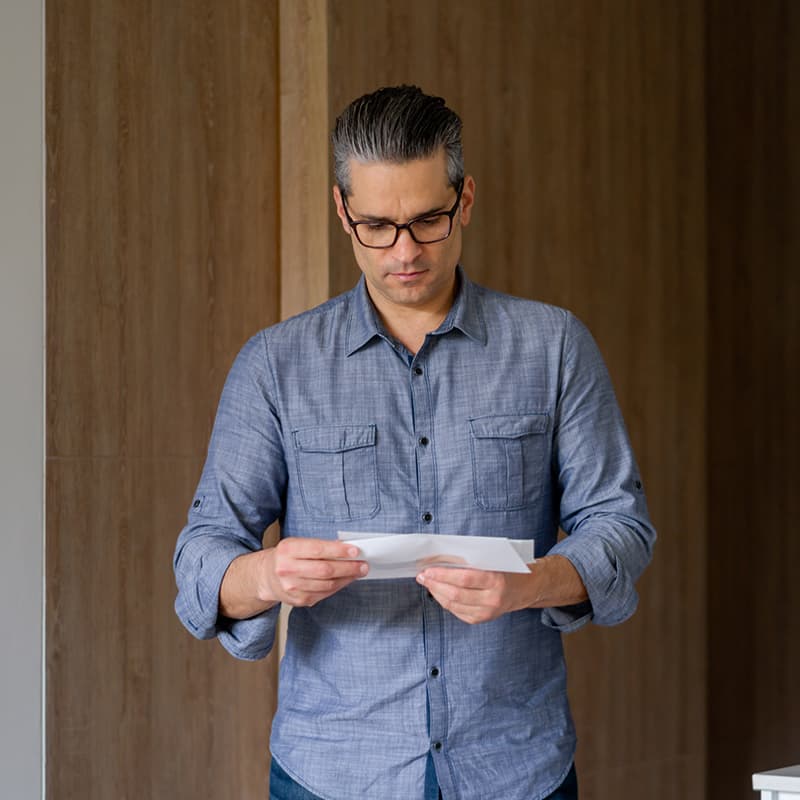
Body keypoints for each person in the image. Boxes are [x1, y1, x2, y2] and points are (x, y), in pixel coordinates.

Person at [173, 85, 656, 800]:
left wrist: (530, 585)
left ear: (465, 200)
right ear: (343, 212)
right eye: (376, 225)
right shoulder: (276, 364)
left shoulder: (554, 347)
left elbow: (622, 528)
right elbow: (199, 559)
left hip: (514, 767)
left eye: (428, 220)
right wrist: (270, 575)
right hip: (333, 771)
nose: (404, 251)